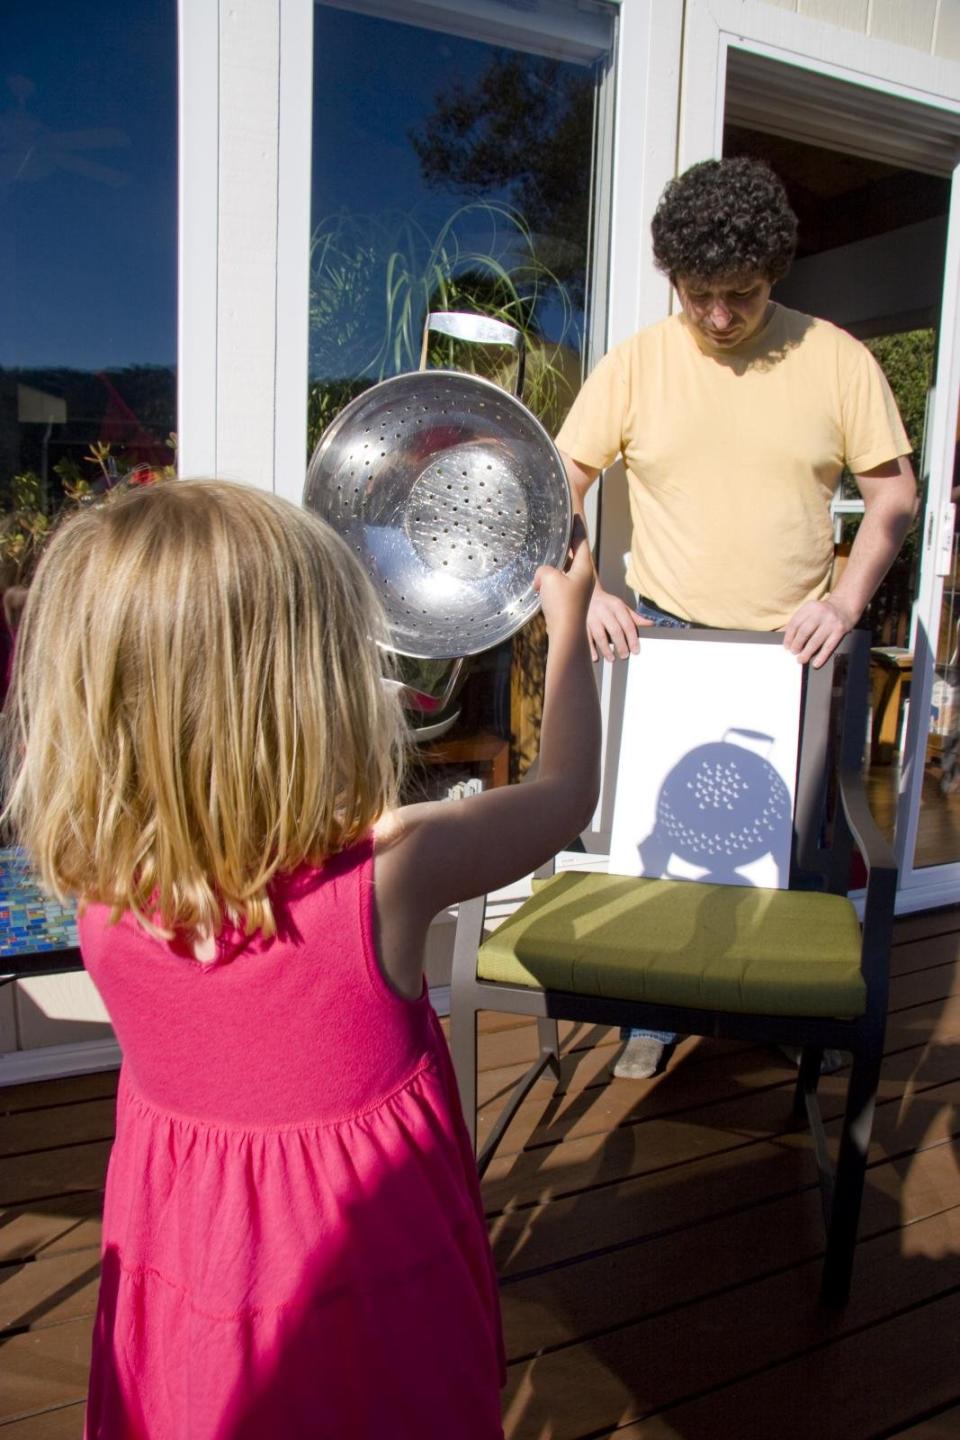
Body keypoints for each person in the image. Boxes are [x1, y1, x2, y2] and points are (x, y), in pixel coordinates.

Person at [2, 480, 600, 1440]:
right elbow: (567, 792)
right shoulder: (390, 875)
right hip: (364, 1272)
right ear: (304, 696)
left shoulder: (100, 894)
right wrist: (566, 625)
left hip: (192, 1256)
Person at [556, 156, 917, 1080]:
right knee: (666, 841)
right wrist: (591, 586)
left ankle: (796, 1006)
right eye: (698, 295)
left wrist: (845, 598)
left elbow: (894, 498)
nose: (718, 316)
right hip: (667, 636)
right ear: (674, 278)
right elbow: (558, 484)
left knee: (800, 845)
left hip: (797, 648)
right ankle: (655, 1012)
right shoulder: (637, 362)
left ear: (776, 272)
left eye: (741, 295)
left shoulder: (836, 358)